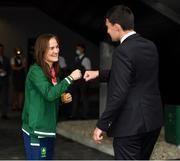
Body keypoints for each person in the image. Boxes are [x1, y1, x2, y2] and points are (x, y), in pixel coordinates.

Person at [84, 5, 163, 160]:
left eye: (108, 27)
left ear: (117, 27)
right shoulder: (150, 46)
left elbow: (119, 93)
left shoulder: (122, 51)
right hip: (152, 122)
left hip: (130, 126)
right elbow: (135, 76)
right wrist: (99, 73)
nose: (107, 31)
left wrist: (102, 124)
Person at [22, 33, 82, 160]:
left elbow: (50, 96)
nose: (56, 51)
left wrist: (61, 99)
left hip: (48, 129)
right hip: (36, 131)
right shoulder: (36, 71)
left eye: (57, 47)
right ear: (42, 51)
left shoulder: (54, 72)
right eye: (52, 48)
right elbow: (49, 94)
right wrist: (70, 78)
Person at [70, 43, 91, 119]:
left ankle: (85, 115)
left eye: (78, 49)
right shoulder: (76, 59)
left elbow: (88, 71)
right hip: (76, 82)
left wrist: (86, 82)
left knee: (84, 98)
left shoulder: (86, 59)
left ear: (83, 49)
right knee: (75, 98)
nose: (77, 50)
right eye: (76, 49)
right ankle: (74, 114)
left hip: (83, 82)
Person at [0, 43, 11, 119]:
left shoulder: (6, 59)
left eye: (2, 49)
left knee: (4, 98)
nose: (1, 51)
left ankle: (4, 113)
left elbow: (10, 70)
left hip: (4, 81)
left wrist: (5, 72)